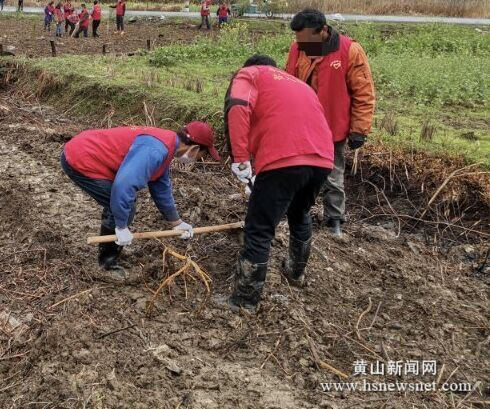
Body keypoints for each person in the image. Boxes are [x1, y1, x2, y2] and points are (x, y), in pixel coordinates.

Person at [221, 54, 334, 312]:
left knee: (259, 227)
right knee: (299, 212)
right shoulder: (297, 83)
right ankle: (296, 274)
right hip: (322, 158)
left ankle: (245, 300)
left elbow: (238, 105)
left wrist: (241, 160)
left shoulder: (249, 75)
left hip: (284, 158)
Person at [60, 122, 221, 271]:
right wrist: (122, 226)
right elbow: (124, 185)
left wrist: (176, 222)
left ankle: (110, 247)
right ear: (194, 148)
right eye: (201, 155)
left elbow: (161, 186)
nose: (198, 160)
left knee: (119, 203)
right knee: (123, 204)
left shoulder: (168, 145)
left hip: (89, 150)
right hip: (80, 157)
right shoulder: (156, 150)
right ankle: (107, 260)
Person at [286, 9, 375, 237]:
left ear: (323, 31)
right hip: (301, 123)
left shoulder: (350, 51)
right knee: (296, 169)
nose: (302, 46)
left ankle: (334, 219)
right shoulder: (297, 49)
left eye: (307, 40)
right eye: (300, 41)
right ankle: (296, 214)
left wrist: (359, 129)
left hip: (331, 126)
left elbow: (363, 93)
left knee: (333, 173)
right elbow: (288, 83)